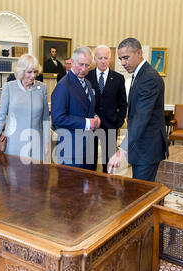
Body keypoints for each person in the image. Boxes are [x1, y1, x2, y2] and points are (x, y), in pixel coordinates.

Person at [107, 38, 168, 182]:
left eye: (126, 58)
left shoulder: (149, 78)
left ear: (139, 53)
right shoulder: (139, 75)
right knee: (139, 189)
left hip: (148, 146)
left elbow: (141, 116)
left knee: (141, 194)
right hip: (140, 145)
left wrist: (121, 150)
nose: (122, 63)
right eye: (121, 58)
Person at [0, 54, 49, 162]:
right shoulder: (9, 87)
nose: (33, 75)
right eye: (29, 72)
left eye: (35, 72)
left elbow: (45, 118)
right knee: (14, 175)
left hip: (36, 140)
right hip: (14, 141)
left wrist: (46, 141)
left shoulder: (42, 88)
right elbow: (1, 115)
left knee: (36, 176)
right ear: (22, 71)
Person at [51, 46, 100, 170]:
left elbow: (86, 108)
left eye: (87, 65)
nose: (84, 69)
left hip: (87, 147)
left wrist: (95, 117)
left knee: (87, 186)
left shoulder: (87, 83)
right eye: (81, 64)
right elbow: (58, 119)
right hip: (70, 149)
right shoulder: (63, 85)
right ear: (72, 62)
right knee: (70, 188)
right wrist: (88, 123)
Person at [86, 45, 127, 173]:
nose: (103, 61)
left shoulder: (118, 78)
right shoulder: (87, 76)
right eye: (100, 58)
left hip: (111, 125)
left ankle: (107, 188)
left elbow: (123, 103)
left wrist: (119, 121)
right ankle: (90, 187)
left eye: (105, 58)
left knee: (108, 162)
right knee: (90, 160)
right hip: (91, 126)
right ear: (95, 59)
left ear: (110, 59)